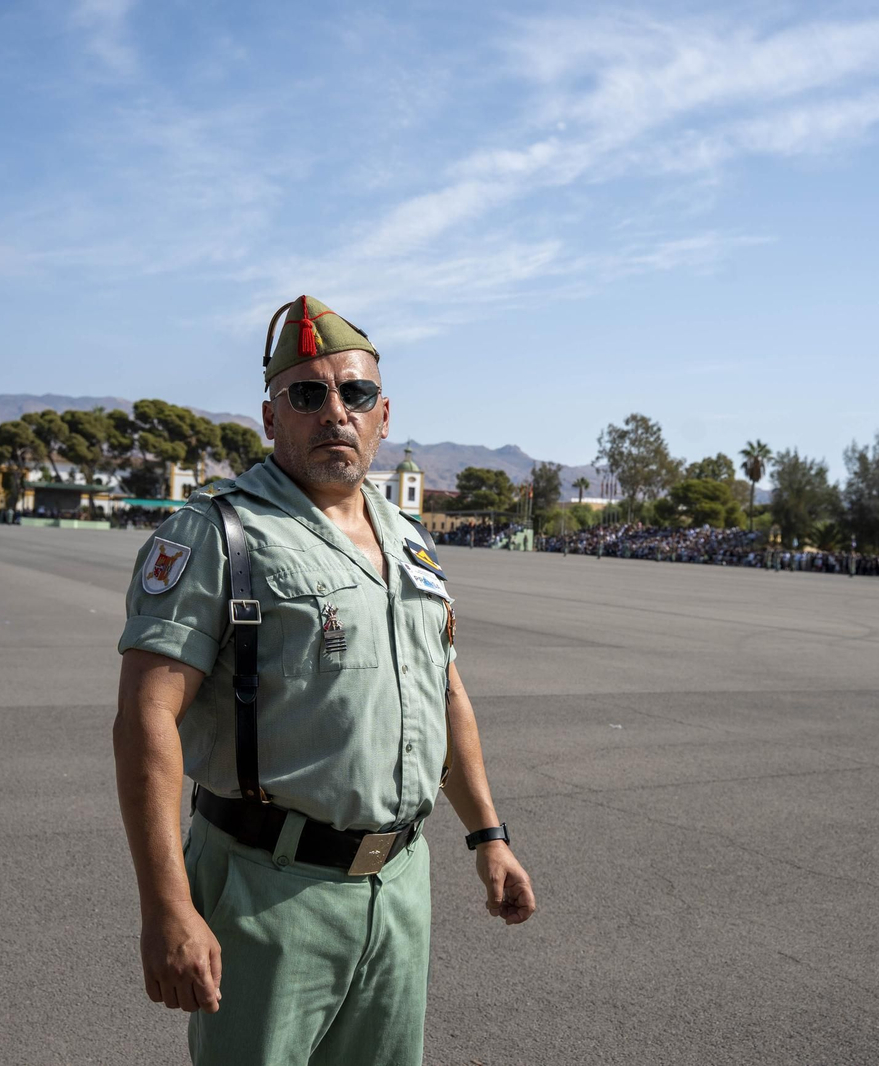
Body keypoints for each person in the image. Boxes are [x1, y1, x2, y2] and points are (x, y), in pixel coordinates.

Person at [112, 295, 535, 1066]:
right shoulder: (218, 532)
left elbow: (442, 692)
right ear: (271, 418)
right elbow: (147, 717)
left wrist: (488, 836)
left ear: (382, 415)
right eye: (307, 394)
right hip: (266, 890)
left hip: (400, 886)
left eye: (355, 393)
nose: (335, 411)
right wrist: (166, 906)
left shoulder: (408, 539)